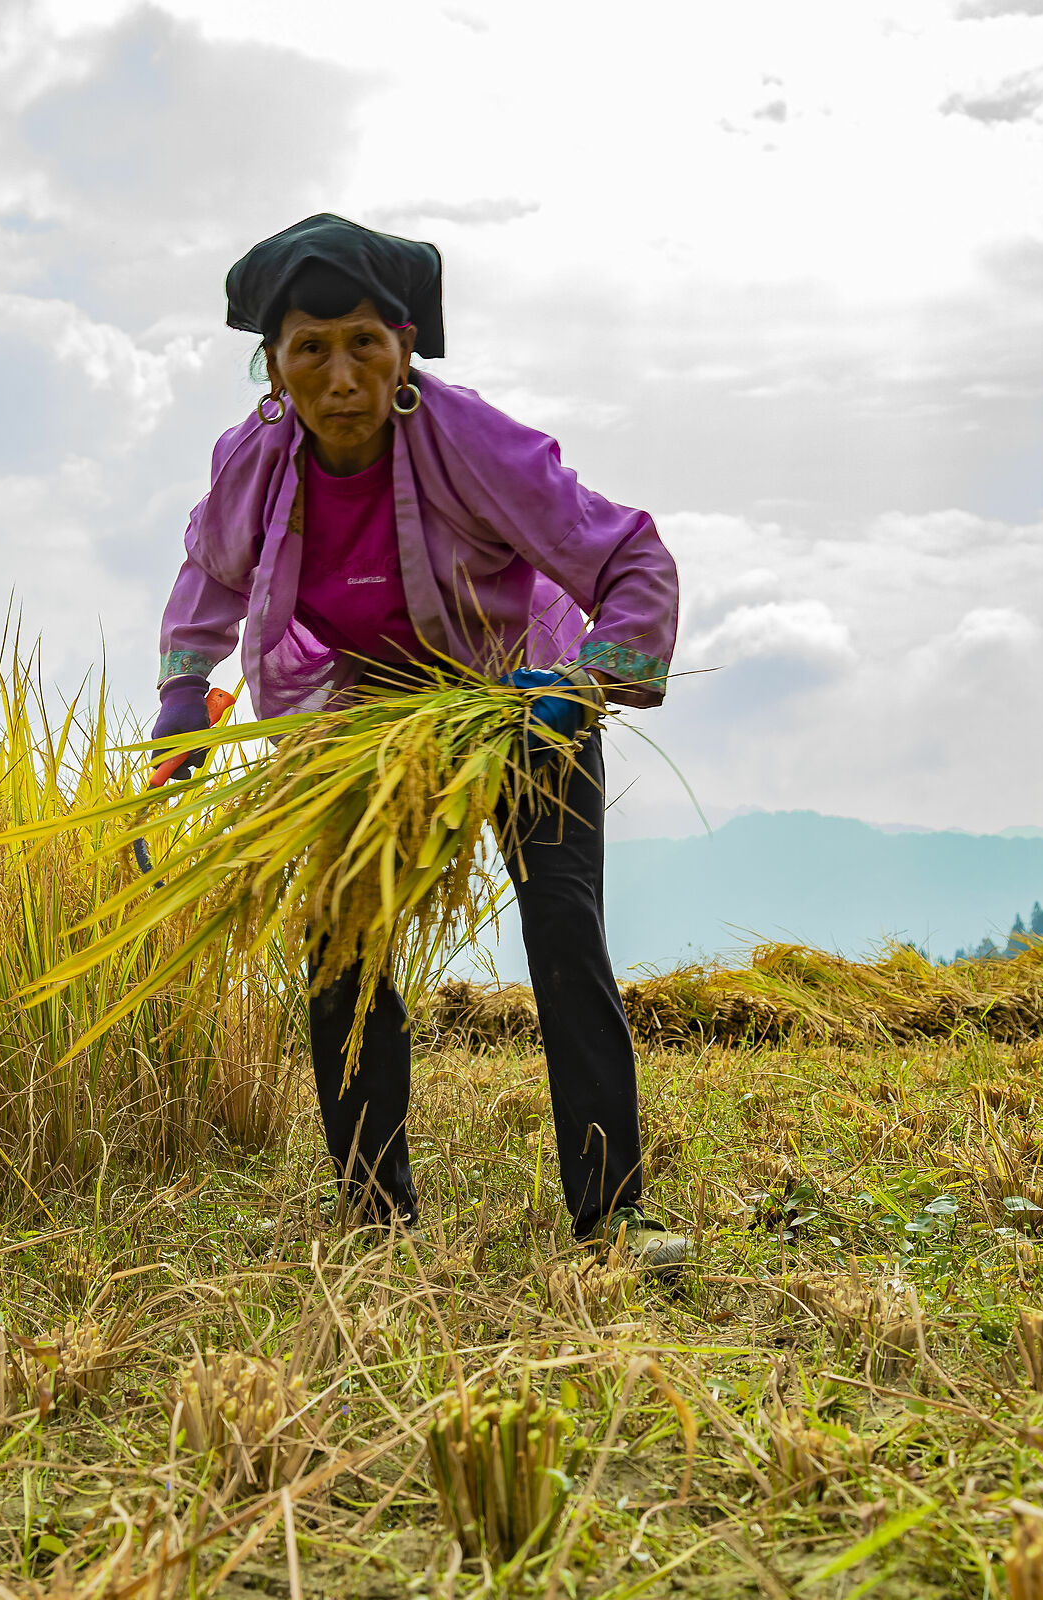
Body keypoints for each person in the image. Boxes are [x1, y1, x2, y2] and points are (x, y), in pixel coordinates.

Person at [151, 213, 687, 1268]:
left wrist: (585, 682)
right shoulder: (256, 461)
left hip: (515, 702)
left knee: (563, 932)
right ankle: (372, 1218)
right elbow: (212, 572)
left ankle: (612, 1214)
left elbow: (629, 556)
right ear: (273, 368)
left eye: (364, 342)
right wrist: (182, 690)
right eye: (311, 348)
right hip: (366, 720)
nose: (340, 376)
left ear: (404, 351)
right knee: (341, 944)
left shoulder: (472, 442)